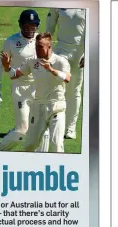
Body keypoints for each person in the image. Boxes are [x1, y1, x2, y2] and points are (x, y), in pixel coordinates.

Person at [0, 9, 49, 153]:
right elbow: (0, 65)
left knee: (44, 130)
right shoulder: (11, 42)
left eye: (33, 26)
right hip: (20, 88)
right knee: (23, 129)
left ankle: (41, 160)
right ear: (20, 25)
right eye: (27, 26)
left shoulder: (41, 41)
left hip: (38, 89)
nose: (30, 29)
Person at [0, 32, 70, 152]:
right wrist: (7, 67)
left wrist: (51, 70)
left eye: (40, 47)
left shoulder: (60, 61)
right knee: (30, 145)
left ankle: (58, 169)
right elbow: (15, 75)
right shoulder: (32, 61)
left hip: (56, 106)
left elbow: (67, 78)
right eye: (36, 46)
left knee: (57, 145)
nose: (37, 49)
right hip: (38, 107)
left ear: (49, 46)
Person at [45, 7, 86, 140]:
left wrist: (87, 52)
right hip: (61, 51)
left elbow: (94, 29)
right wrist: (45, 48)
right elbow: (49, 27)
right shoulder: (58, 5)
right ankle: (51, 124)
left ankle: (70, 128)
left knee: (74, 91)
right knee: (55, 88)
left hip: (80, 53)